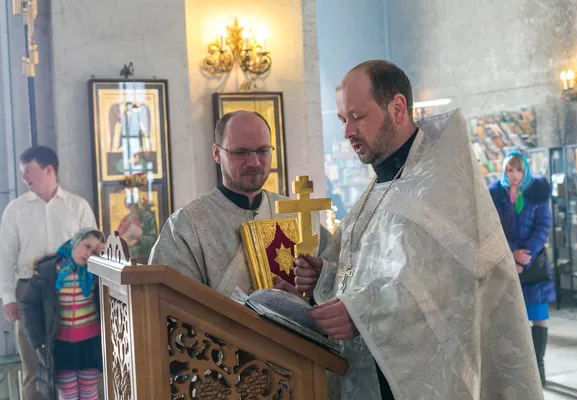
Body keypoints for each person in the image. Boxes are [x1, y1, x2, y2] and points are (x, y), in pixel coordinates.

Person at [286, 60, 543, 399]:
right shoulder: (380, 187)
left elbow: (450, 287)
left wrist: (362, 313)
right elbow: (370, 271)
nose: (347, 132)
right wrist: (327, 276)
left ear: (397, 108)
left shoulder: (441, 186)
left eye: (358, 117)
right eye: (342, 120)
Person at [148, 110, 332, 296]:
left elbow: (342, 283)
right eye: (240, 152)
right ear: (217, 153)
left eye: (263, 150)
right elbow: (170, 303)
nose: (254, 162)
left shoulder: (298, 215)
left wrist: (316, 283)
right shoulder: (186, 225)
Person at [0, 146, 97, 400]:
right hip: (29, 290)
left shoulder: (77, 206)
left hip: (74, 293)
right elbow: (5, 256)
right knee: (34, 365)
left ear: (49, 170)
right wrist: (8, 298)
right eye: (22, 173)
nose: (24, 178)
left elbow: (95, 251)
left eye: (29, 171)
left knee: (73, 365)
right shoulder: (15, 209)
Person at [489, 152, 555, 385]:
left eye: (518, 169)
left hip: (533, 263)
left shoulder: (537, 192)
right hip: (508, 263)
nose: (514, 175)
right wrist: (512, 255)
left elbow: (543, 224)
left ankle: (539, 366)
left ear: (525, 170)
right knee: (514, 318)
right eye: (510, 170)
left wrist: (525, 255)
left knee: (539, 315)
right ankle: (522, 368)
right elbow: (493, 228)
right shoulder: (494, 194)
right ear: (504, 171)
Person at [20, 228, 106, 400]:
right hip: (61, 344)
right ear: (74, 243)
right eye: (86, 246)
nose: (89, 253)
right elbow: (28, 305)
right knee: (68, 393)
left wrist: (107, 257)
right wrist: (38, 340)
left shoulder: (97, 273)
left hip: (89, 343)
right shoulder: (48, 272)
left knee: (90, 391)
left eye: (94, 250)